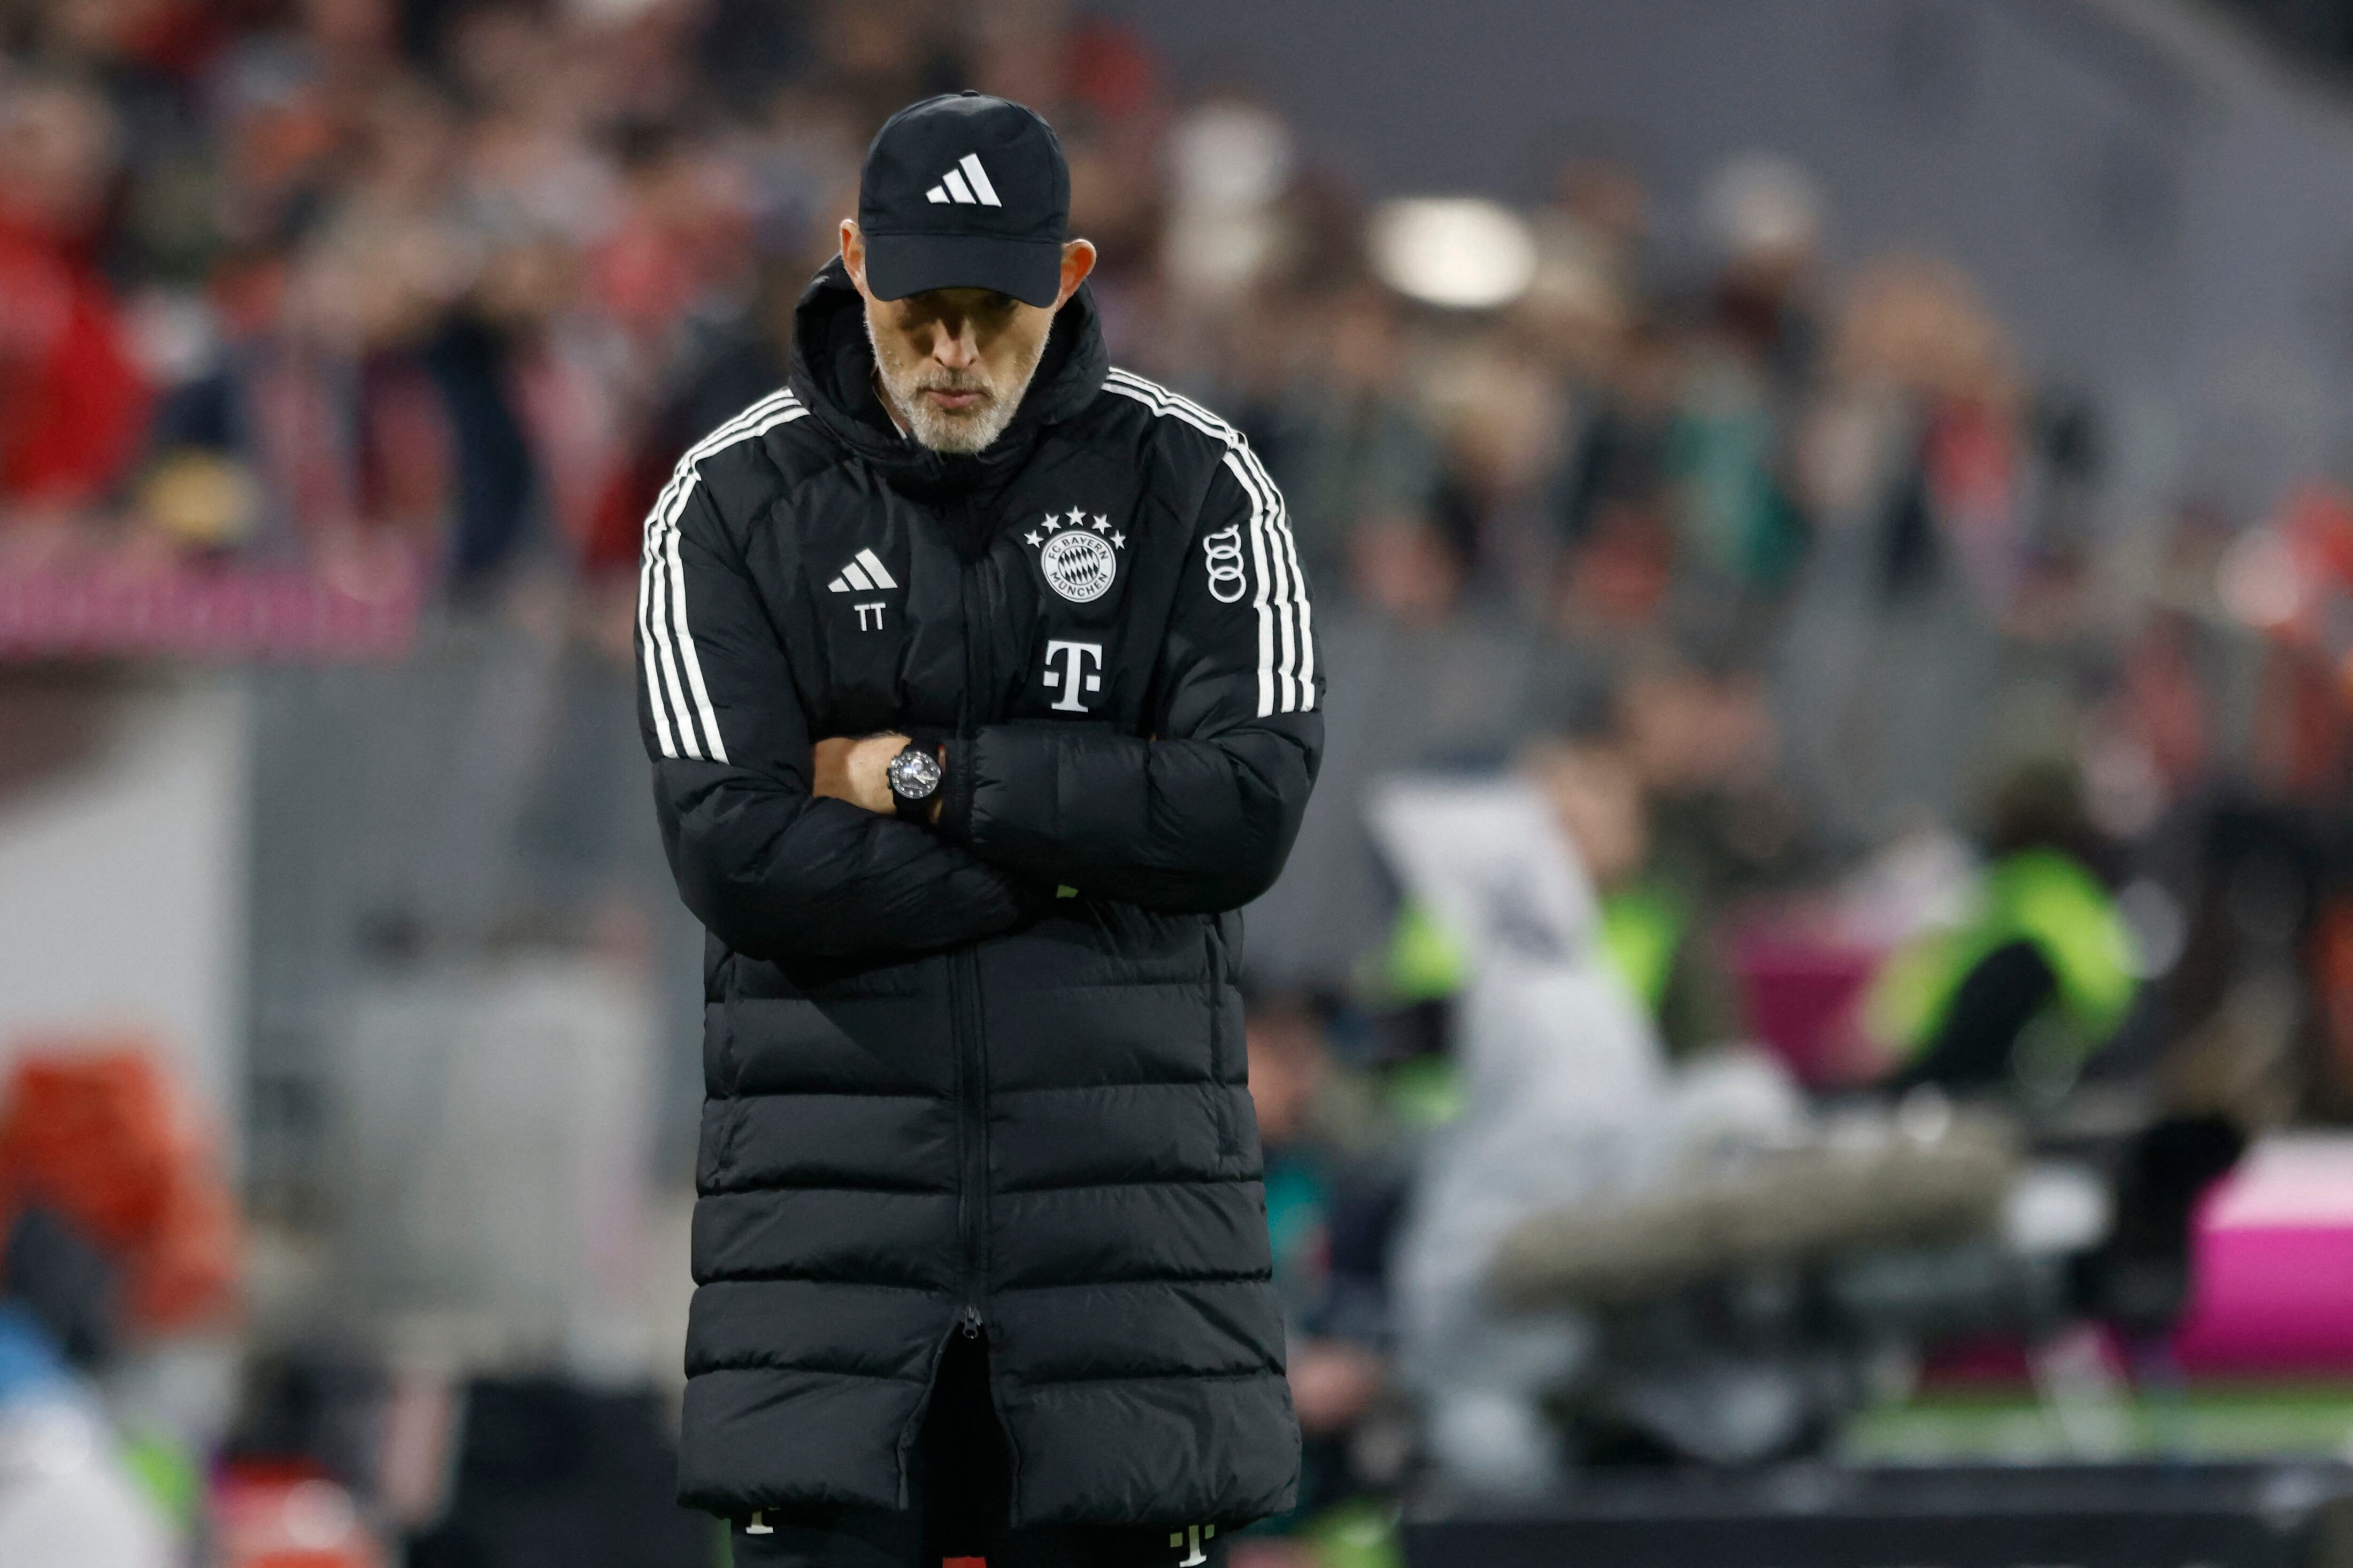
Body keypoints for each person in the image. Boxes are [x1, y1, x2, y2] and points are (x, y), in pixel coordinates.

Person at [635, 92, 1322, 1567]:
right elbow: (737, 855)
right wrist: (1087, 860)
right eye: (921, 308)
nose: (954, 351)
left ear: (1069, 278)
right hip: (830, 1308)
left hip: (1124, 1309)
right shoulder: (726, 506)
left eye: (993, 312)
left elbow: (1246, 810)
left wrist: (929, 780)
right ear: (851, 263)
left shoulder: (1198, 487)